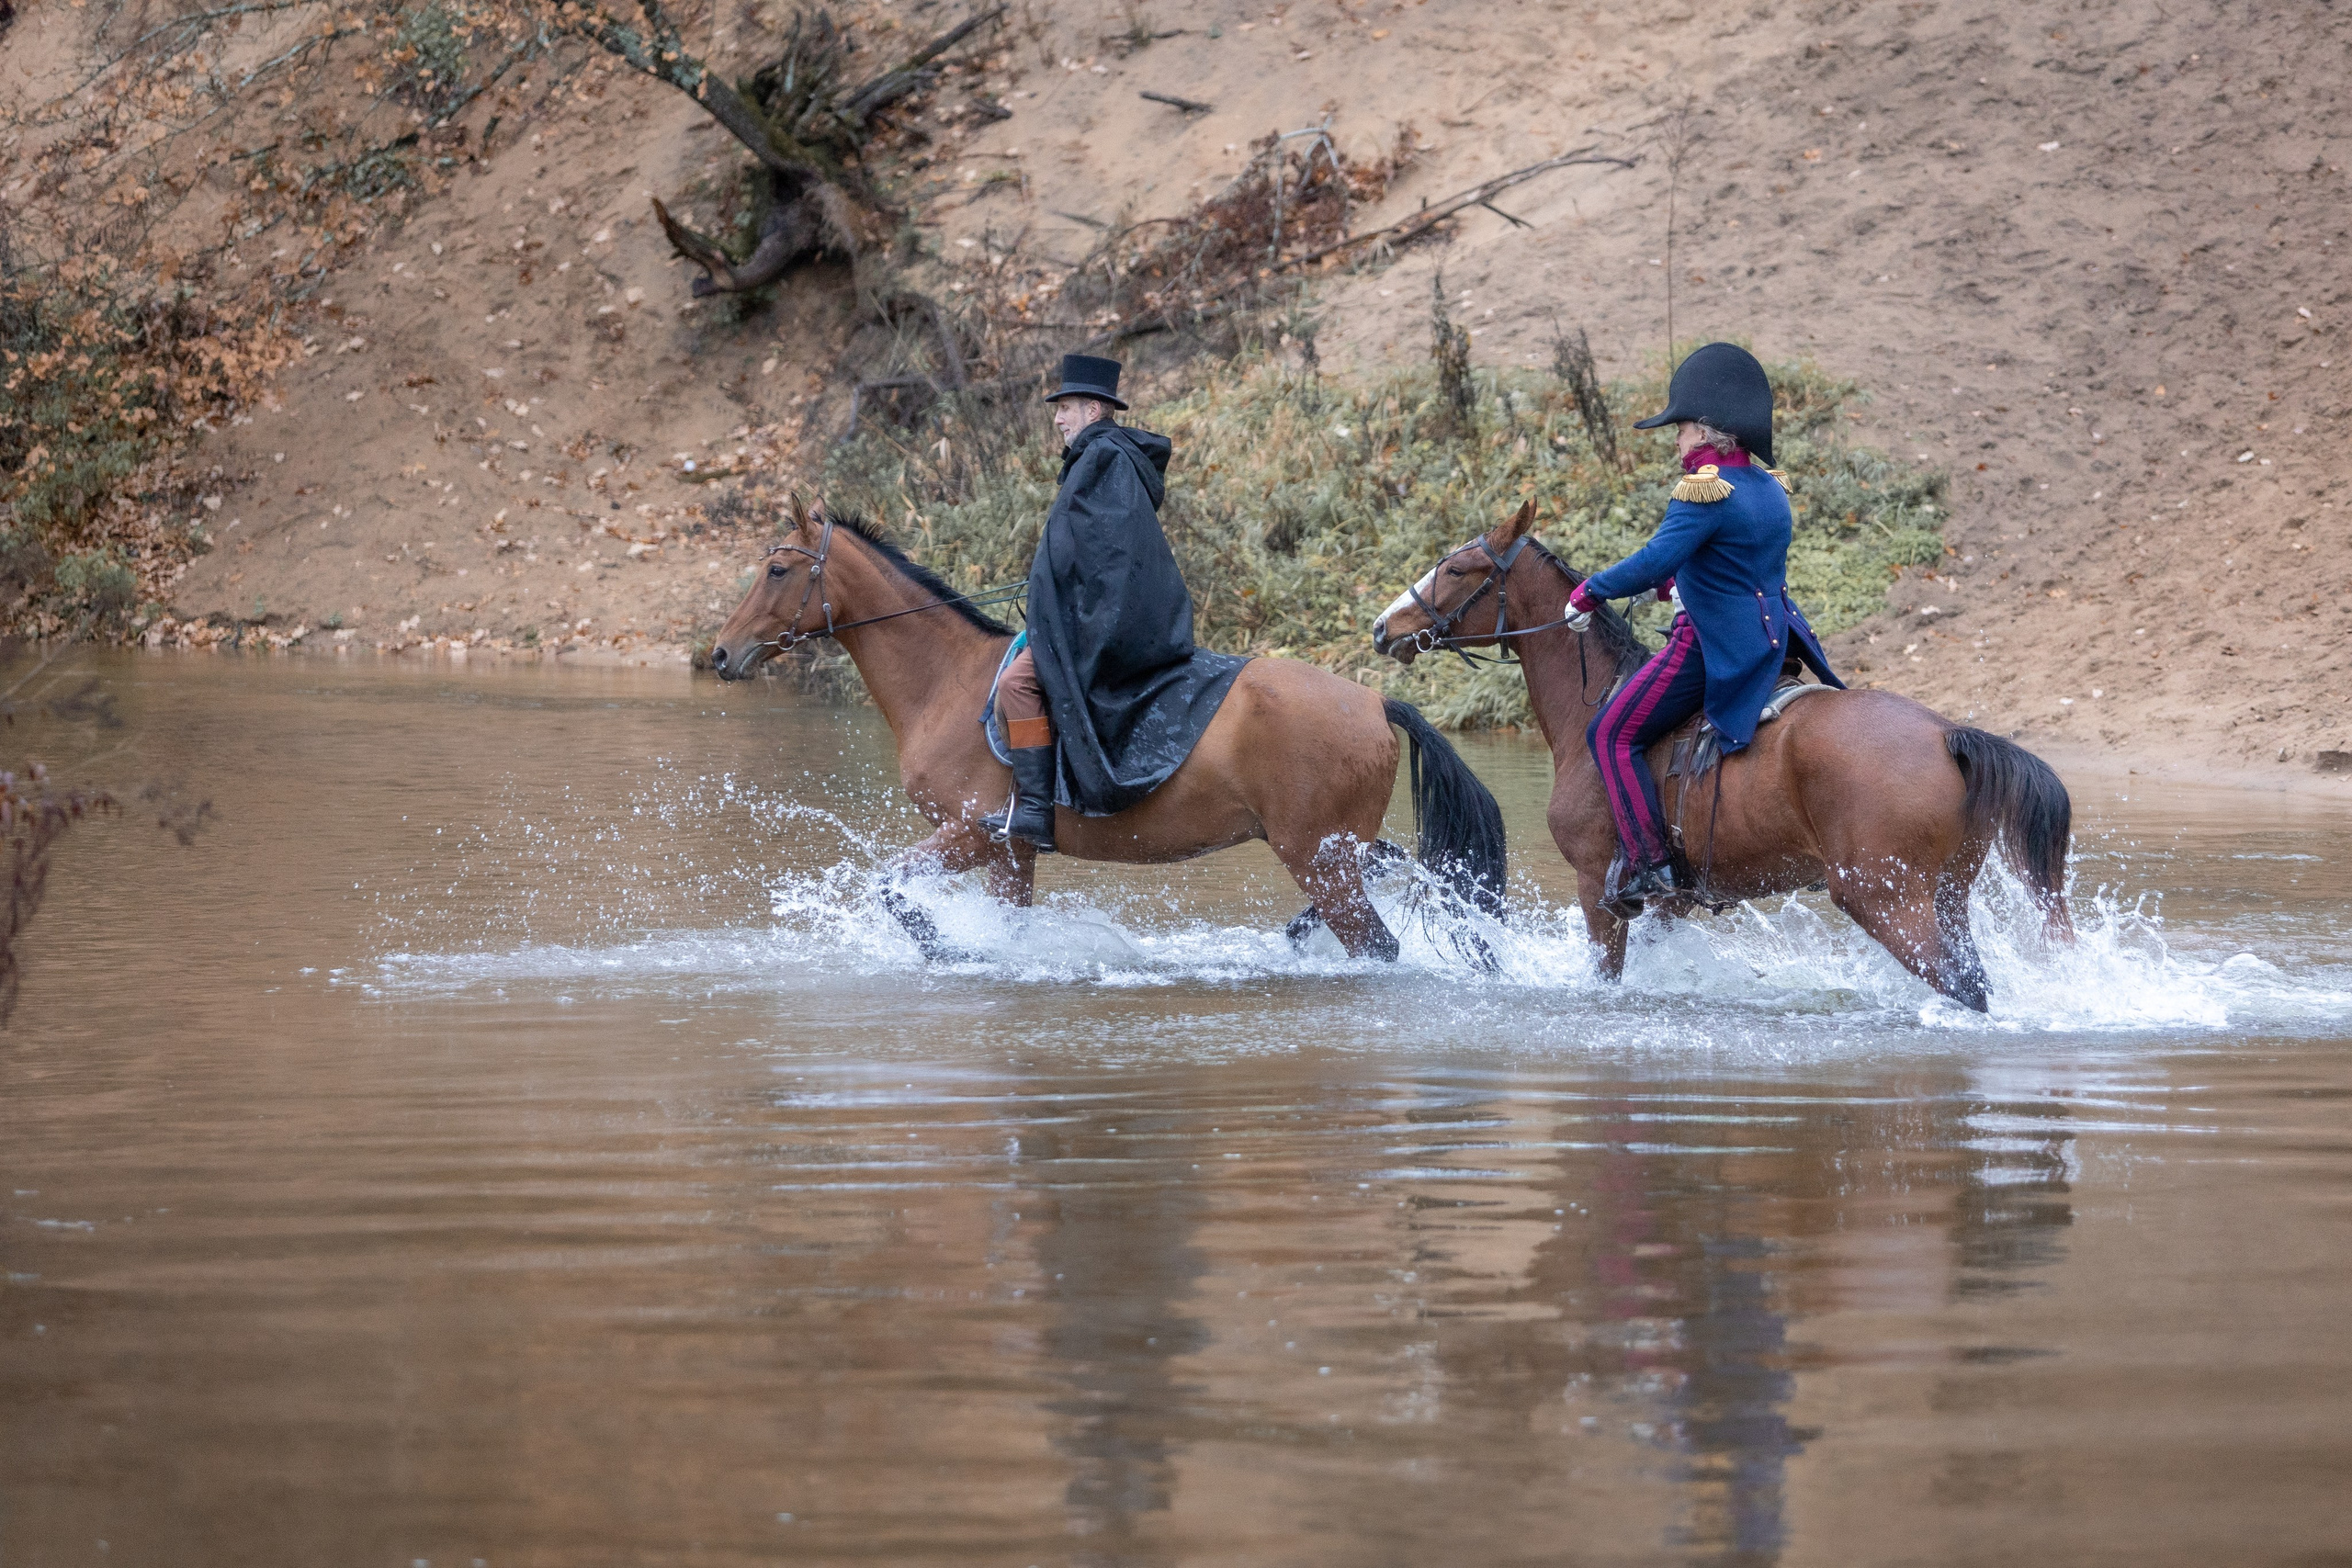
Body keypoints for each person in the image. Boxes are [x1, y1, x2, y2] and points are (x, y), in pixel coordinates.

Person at [1566, 342, 1845, 916]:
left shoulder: (1704, 490)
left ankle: (1650, 863)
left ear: (1707, 433)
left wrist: (1590, 590)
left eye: (1681, 428)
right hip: (1774, 637)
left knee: (1610, 735)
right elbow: (1732, 563)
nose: (1676, 441)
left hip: (1710, 643)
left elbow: (1651, 558)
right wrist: (1672, 585)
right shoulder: (1768, 489)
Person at [982, 355, 1247, 852]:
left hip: (1105, 626)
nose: (1058, 418)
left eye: (1067, 408)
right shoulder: (1109, 458)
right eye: (1058, 408)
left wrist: (1057, 603)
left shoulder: (1103, 459)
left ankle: (1036, 812)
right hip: (1108, 616)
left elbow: (1108, 563)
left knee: (1017, 684)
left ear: (1095, 409)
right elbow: (1091, 551)